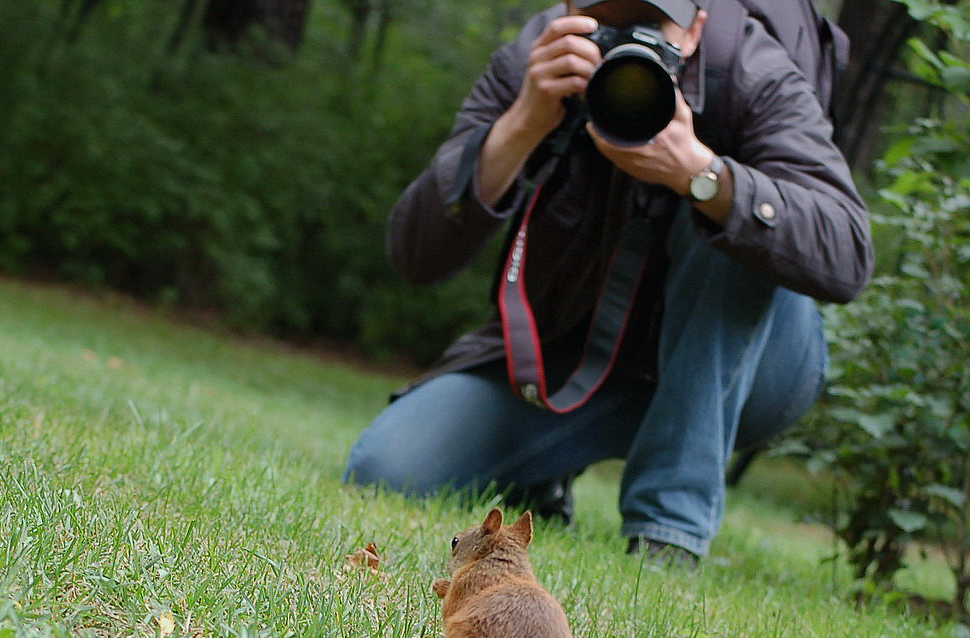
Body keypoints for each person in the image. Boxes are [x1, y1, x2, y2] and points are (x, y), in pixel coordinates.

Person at [344, 0, 873, 565]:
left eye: (654, 22)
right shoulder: (541, 54)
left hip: (747, 374)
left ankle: (667, 533)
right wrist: (523, 122)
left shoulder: (752, 70)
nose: (630, 42)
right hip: (571, 360)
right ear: (573, 8)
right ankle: (541, 476)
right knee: (384, 469)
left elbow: (848, 250)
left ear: (697, 24)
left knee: (728, 208)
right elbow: (414, 253)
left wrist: (703, 175)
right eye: (610, 20)